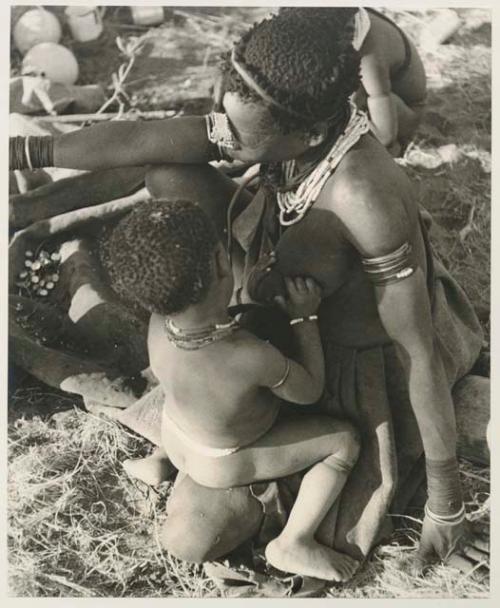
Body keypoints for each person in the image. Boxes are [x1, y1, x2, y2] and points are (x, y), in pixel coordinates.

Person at [9, 9, 483, 572]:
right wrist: (24, 155)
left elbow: (418, 351)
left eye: (239, 134)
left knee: (197, 530)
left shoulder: (363, 200)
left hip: (337, 350)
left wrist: (447, 502)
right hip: (271, 288)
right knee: (168, 165)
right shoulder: (281, 121)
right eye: (225, 123)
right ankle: (33, 211)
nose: (221, 137)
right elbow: (142, 138)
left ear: (306, 135)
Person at [106, 198, 361, 581]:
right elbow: (310, 390)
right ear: (224, 263)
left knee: (186, 398)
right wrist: (304, 318)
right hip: (222, 462)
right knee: (344, 443)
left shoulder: (160, 324)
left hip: (176, 436)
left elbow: (214, 326)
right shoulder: (248, 356)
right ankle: (294, 540)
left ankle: (160, 463)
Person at [278, 7, 426, 155]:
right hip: (378, 92)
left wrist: (347, 138)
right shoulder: (347, 19)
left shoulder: (368, 58)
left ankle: (393, 150)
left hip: (403, 113)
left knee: (353, 94)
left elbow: (385, 136)